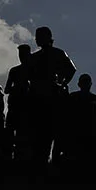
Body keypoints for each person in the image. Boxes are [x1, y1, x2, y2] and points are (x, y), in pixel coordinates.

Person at [25, 27, 76, 166]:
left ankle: (54, 163)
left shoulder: (58, 53)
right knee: (39, 136)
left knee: (56, 134)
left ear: (48, 37)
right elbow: (28, 75)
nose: (37, 39)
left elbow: (71, 69)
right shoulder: (34, 57)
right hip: (37, 98)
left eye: (40, 36)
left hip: (54, 98)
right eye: (37, 37)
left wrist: (62, 83)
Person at [5, 45, 33, 161]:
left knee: (23, 135)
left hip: (26, 108)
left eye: (23, 54)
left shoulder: (33, 71)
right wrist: (17, 88)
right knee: (10, 134)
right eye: (20, 55)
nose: (21, 57)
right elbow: (7, 89)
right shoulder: (14, 70)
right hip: (14, 106)